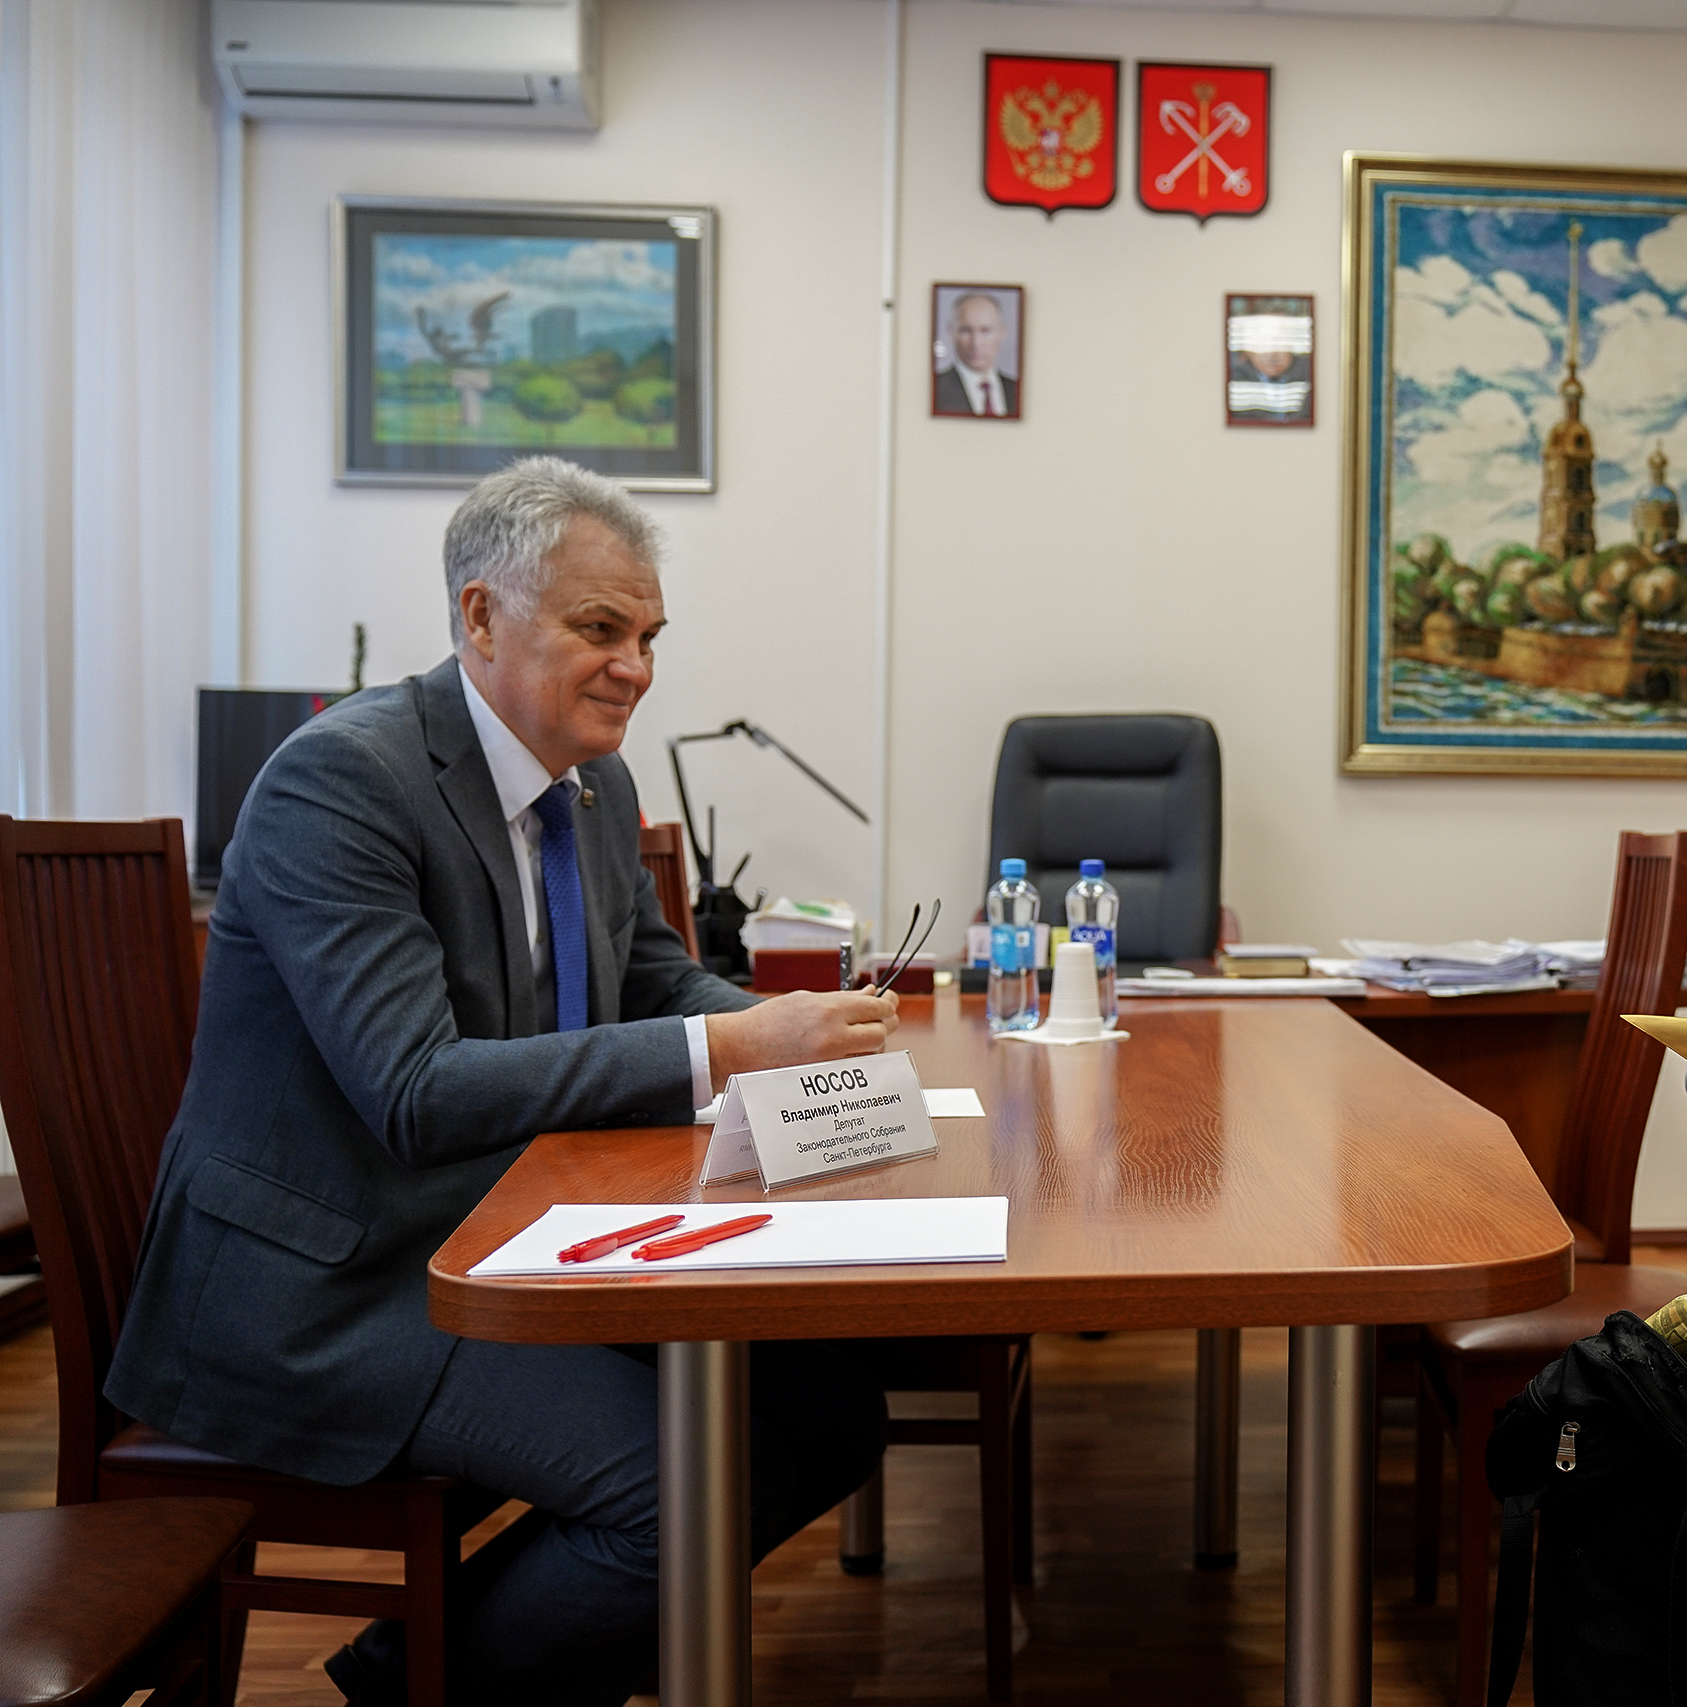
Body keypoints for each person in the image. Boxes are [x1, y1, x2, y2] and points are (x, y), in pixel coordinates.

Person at [105, 457, 901, 1707]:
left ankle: (412, 1667)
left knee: (828, 1413)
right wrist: (729, 1051)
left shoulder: (596, 786)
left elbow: (651, 981)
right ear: (479, 618)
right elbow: (416, 1089)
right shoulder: (341, 781)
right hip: (325, 1287)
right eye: (600, 629)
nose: (635, 665)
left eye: (647, 635)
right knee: (676, 1498)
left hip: (498, 1240)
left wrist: (798, 1036)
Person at [933, 290, 1017, 417]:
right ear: (951, 332)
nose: (975, 343)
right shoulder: (936, 389)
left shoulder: (1016, 390)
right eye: (965, 331)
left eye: (985, 331)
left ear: (1002, 333)